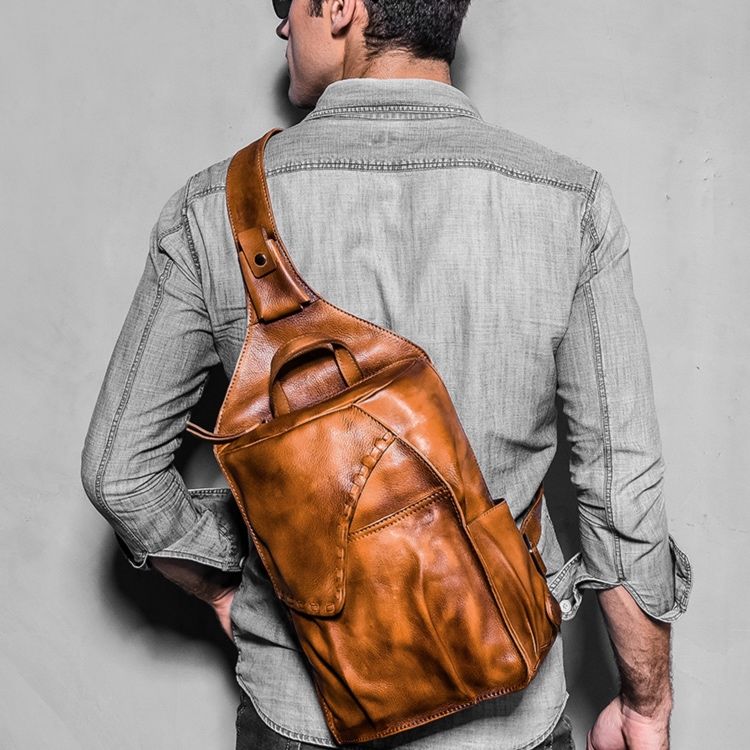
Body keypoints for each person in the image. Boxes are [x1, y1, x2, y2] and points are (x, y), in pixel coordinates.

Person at [80, 1, 692, 748]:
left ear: (341, 6)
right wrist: (644, 703)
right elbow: (621, 494)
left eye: (284, 3)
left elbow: (119, 473)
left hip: (303, 716)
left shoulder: (212, 210)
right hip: (509, 714)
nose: (281, 27)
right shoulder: (569, 202)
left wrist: (235, 584)